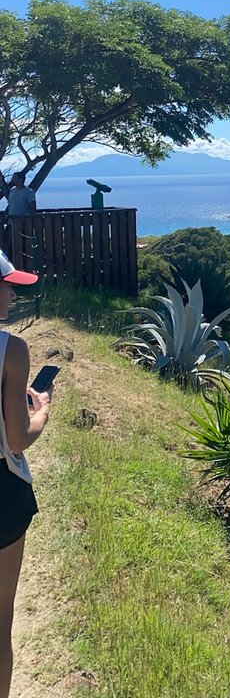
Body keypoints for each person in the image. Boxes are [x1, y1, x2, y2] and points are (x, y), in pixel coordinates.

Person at [0, 249, 48, 697]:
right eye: (7, 285)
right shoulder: (11, 349)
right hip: (1, 491)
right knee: (0, 621)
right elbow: (17, 439)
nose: (12, 294)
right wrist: (43, 413)